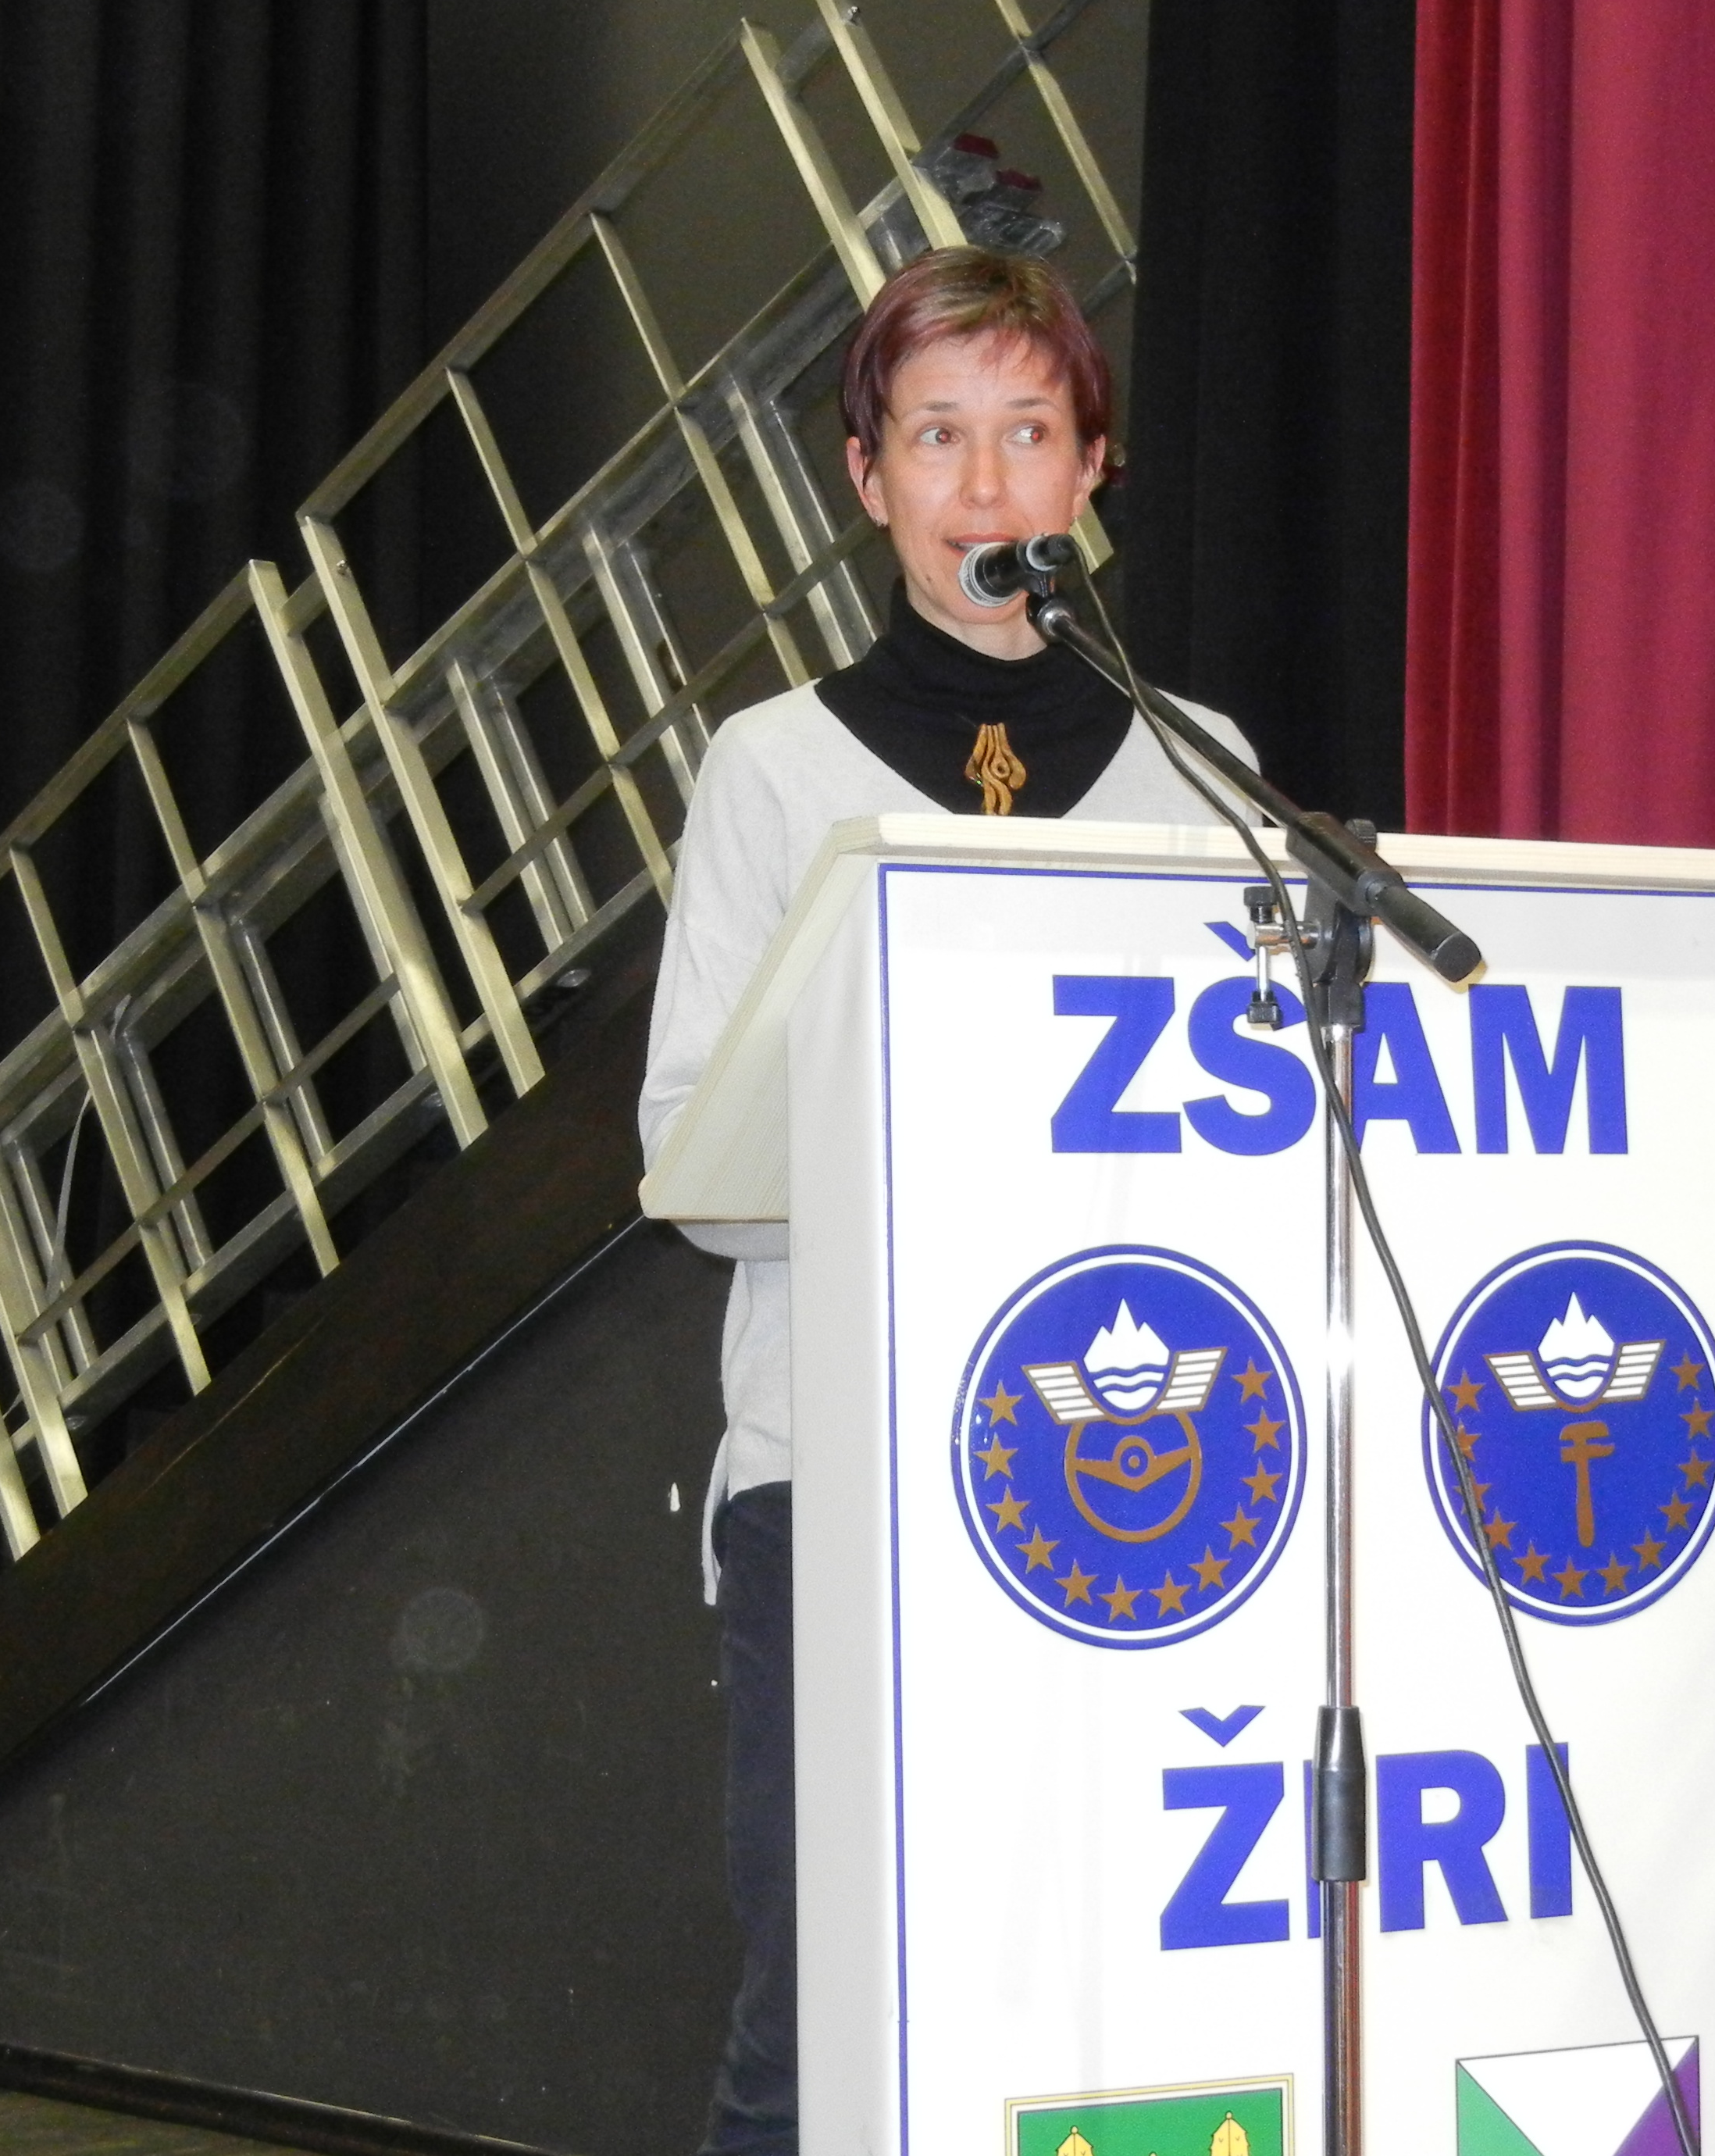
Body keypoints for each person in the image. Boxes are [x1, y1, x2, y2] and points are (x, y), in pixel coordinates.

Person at [636, 245, 1256, 2154]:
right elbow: (691, 1162)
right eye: (933, 438)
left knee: (1102, 2008)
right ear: (864, 477)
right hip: (844, 1488)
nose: (983, 487)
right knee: (824, 2029)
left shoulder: (1205, 773)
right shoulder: (771, 770)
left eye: (1026, 432)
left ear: (1093, 466)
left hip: (1134, 1501)